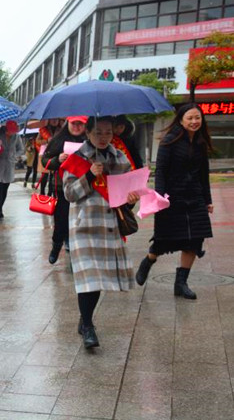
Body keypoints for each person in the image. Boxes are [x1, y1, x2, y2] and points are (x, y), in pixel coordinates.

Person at [61, 116, 139, 348]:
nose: (103, 137)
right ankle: (88, 325)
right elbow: (69, 194)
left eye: (108, 132)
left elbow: (125, 195)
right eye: (98, 132)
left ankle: (84, 319)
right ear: (87, 133)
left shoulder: (120, 158)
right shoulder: (77, 158)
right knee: (89, 278)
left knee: (98, 279)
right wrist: (88, 175)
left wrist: (131, 200)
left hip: (108, 226)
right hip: (84, 226)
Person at [135, 104, 214, 300]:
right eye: (190, 118)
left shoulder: (200, 142)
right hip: (172, 197)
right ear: (181, 120)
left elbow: (204, 174)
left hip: (195, 197)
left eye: (197, 117)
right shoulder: (169, 141)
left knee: (195, 239)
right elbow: (161, 171)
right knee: (164, 239)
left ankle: (181, 283)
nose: (194, 121)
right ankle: (149, 260)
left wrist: (208, 200)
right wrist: (160, 197)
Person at [42, 116, 88, 264]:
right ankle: (56, 246)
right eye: (74, 123)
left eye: (80, 124)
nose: (77, 127)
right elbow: (45, 161)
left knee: (81, 221)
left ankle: (76, 249)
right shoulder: (58, 140)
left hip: (84, 187)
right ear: (68, 123)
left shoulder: (90, 140)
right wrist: (57, 159)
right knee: (61, 220)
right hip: (62, 188)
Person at [0, 120, 19, 218]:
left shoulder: (16, 137)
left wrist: (15, 156)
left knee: (5, 189)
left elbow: (21, 149)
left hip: (9, 165)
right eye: (10, 131)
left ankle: (1, 206)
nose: (12, 133)